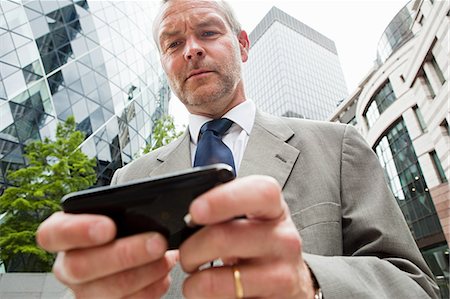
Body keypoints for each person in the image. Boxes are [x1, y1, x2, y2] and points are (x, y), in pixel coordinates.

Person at [36, 0, 440, 298]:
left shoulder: (336, 146)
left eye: (208, 33)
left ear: (243, 45)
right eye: (173, 44)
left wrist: (309, 282)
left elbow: (415, 285)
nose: (191, 49)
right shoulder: (131, 178)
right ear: (164, 64)